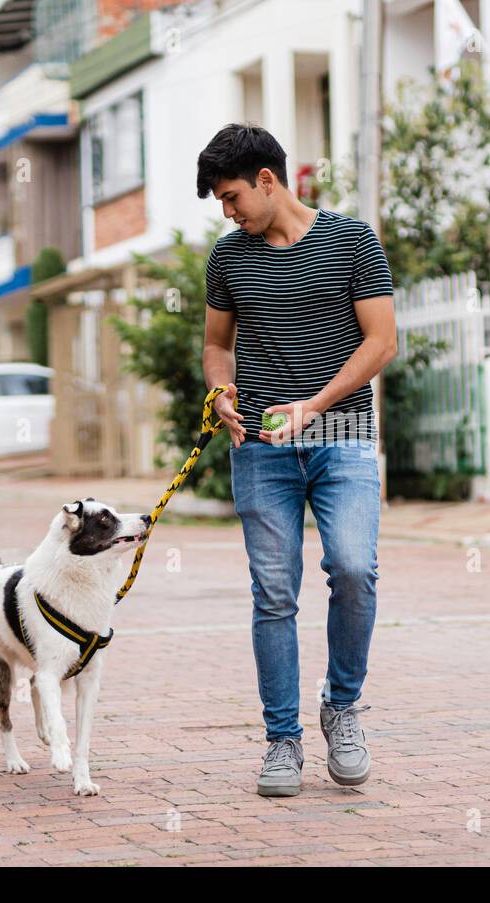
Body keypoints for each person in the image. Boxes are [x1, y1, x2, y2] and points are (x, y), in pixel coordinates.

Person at [198, 123, 397, 797]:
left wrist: (312, 405)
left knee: (353, 568)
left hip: (340, 434)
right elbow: (218, 346)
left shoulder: (352, 240)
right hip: (260, 447)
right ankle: (282, 741)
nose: (228, 213)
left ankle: (342, 707)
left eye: (231, 197)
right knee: (275, 595)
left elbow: (381, 342)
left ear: (268, 181)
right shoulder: (228, 258)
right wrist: (219, 390)